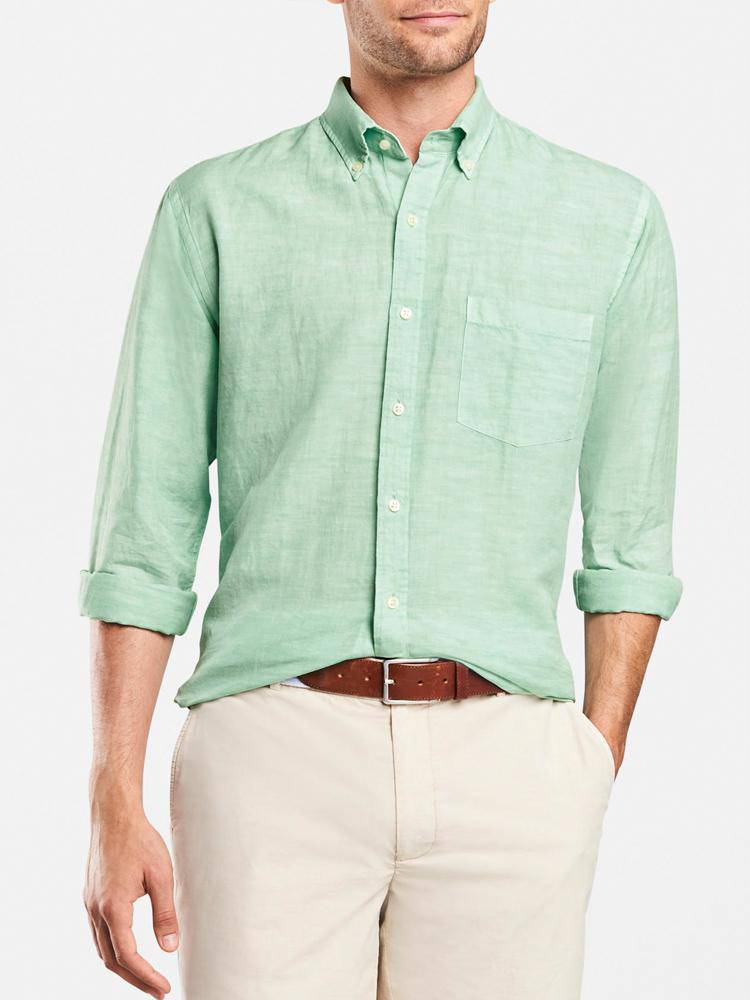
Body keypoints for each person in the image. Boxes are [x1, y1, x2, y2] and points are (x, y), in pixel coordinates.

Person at [81, 2, 682, 997]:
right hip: (271, 755)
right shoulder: (215, 211)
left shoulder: (610, 222)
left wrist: (591, 765)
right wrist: (113, 795)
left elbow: (631, 539)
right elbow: (143, 536)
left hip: (513, 765)